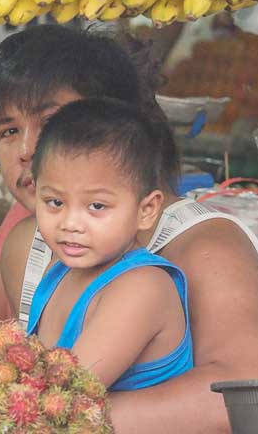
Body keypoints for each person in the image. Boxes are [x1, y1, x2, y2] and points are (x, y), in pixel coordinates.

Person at [0, 25, 258, 433]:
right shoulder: (25, 242)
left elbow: (253, 395)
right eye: (9, 130)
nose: (27, 150)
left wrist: (56, 420)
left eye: (52, 121)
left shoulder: (206, 246)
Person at [27, 97, 192, 391]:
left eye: (97, 206)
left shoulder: (143, 288)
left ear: (146, 210)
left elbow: (62, 398)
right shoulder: (58, 272)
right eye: (55, 202)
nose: (71, 223)